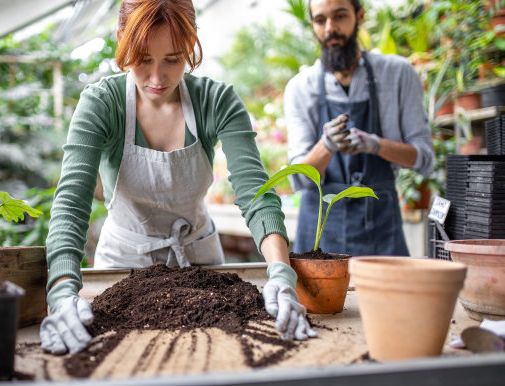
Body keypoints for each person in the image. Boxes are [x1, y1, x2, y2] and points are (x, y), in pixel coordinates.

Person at [39, 0, 317, 355]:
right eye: (143, 59)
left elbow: (255, 192)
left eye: (172, 59)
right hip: (123, 267)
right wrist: (62, 292)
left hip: (201, 268)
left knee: (217, 356)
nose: (157, 78)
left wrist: (280, 272)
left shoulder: (216, 101)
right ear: (121, 39)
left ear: (190, 45)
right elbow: (71, 205)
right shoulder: (102, 104)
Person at [284, 0, 433, 256]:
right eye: (320, 20)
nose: (330, 28)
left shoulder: (398, 74)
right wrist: (326, 145)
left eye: (340, 16)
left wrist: (376, 144)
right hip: (319, 234)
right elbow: (299, 178)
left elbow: (424, 159)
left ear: (359, 16)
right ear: (313, 25)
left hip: (381, 229)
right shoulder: (300, 88)